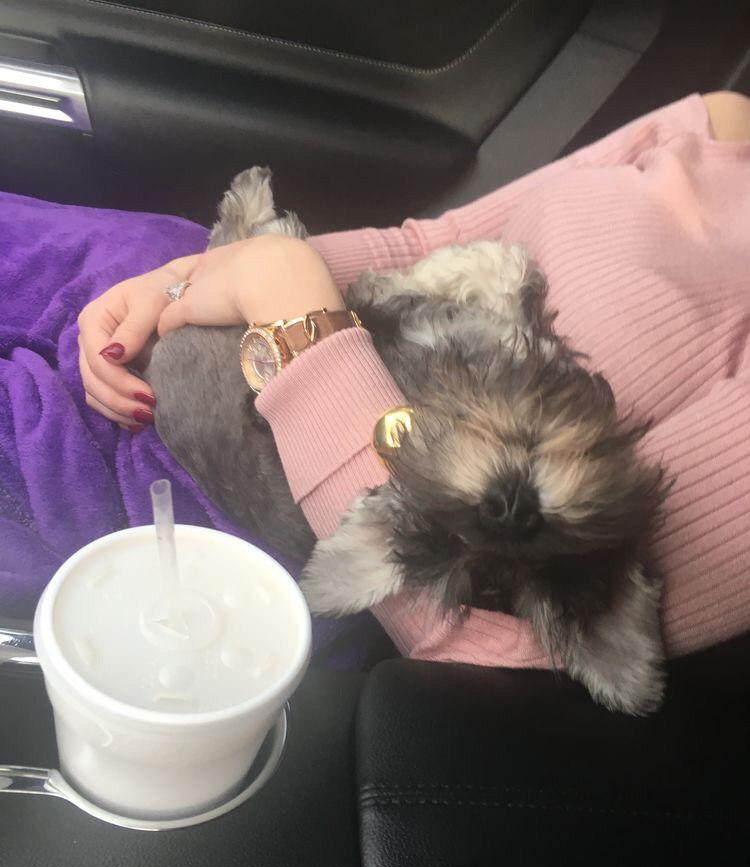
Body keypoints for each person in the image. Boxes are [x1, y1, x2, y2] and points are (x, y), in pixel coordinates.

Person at [77, 92, 750, 669]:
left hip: (227, 524)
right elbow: (432, 243)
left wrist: (291, 309)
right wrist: (192, 280)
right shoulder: (724, 120)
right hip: (257, 298)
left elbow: (490, 650)